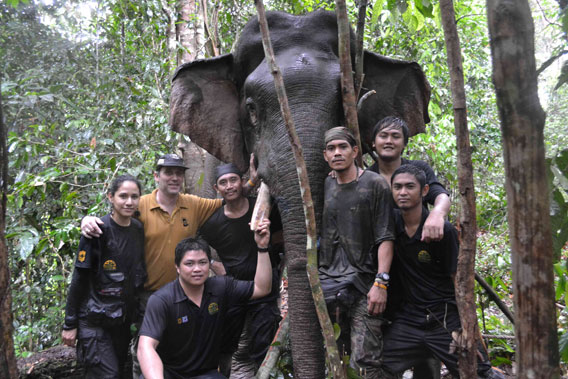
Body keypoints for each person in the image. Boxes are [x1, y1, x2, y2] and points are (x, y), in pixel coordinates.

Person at [80, 153, 257, 375]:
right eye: (168, 173)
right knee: (144, 350)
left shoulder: (193, 204)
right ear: (156, 176)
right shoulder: (140, 205)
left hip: (187, 294)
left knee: (185, 347)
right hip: (150, 295)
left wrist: (250, 182)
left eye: (178, 173)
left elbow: (230, 196)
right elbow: (115, 218)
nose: (174, 178)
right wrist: (87, 220)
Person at [380, 164, 494, 377]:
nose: (403, 192)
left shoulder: (445, 231)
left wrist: (466, 327)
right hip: (408, 320)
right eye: (397, 187)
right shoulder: (391, 224)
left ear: (424, 191)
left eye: (409, 187)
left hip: (443, 319)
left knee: (478, 371)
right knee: (376, 367)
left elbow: (458, 281)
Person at [137, 220, 273, 379]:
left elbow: (261, 288)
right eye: (189, 263)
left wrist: (262, 247)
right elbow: (145, 346)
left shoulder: (221, 287)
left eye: (202, 262)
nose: (197, 269)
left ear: (210, 264)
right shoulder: (162, 299)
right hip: (168, 374)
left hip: (205, 375)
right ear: (177, 267)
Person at [318, 126, 394, 376]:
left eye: (342, 147)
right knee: (335, 360)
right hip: (329, 285)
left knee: (364, 362)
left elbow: (386, 236)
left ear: (355, 151)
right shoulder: (326, 185)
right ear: (325, 155)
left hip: (364, 286)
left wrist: (380, 283)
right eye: (331, 148)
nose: (337, 153)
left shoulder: (374, 185)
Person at [197, 164, 282, 378]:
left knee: (264, 338)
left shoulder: (261, 208)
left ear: (241, 182)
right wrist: (217, 267)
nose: (229, 186)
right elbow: (199, 247)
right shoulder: (213, 222)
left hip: (265, 286)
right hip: (234, 289)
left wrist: (270, 246)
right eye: (223, 183)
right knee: (229, 341)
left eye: (233, 180)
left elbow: (282, 235)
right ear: (217, 188)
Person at [62, 174, 146, 378]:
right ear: (110, 197)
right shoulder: (96, 230)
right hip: (93, 320)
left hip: (121, 321)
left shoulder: (137, 229)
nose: (129, 202)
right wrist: (69, 324)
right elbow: (79, 279)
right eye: (123, 196)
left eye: (134, 197)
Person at [368, 116, 451, 243]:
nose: (389, 141)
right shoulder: (366, 178)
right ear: (373, 142)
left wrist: (437, 214)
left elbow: (440, 195)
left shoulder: (419, 169)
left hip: (417, 242)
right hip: (380, 245)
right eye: (383, 136)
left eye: (395, 136)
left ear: (404, 144)